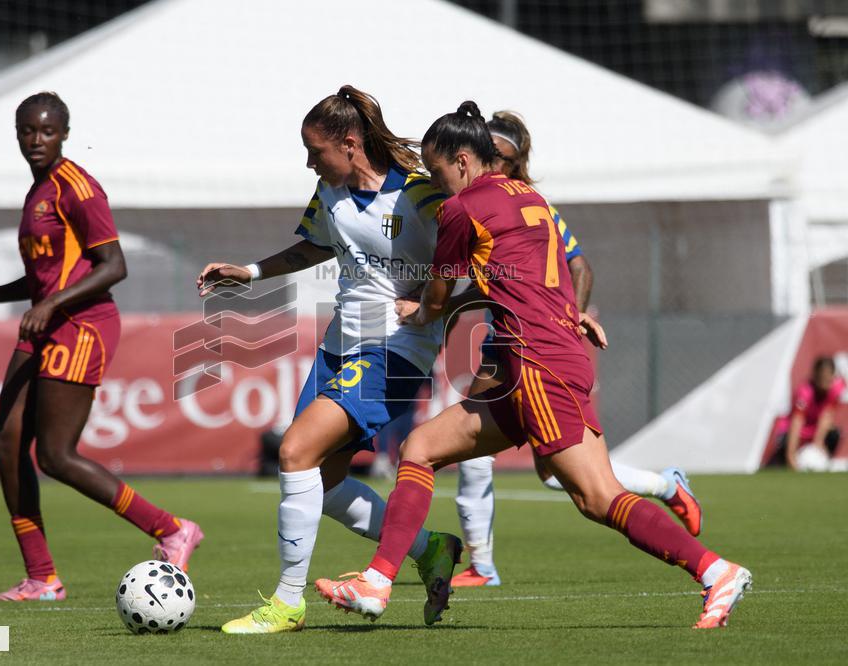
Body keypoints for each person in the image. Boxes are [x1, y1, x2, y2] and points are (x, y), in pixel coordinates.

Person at [316, 102, 751, 630]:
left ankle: (715, 571)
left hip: (537, 361)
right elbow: (538, 273)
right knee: (421, 448)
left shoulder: (462, 209)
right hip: (535, 356)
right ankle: (378, 582)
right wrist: (570, 315)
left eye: (435, 171)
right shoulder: (531, 196)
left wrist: (420, 310)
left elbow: (438, 292)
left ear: (461, 159)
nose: (434, 182)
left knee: (597, 497)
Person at [198, 86, 458, 634]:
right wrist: (250, 272)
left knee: (294, 452)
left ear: (349, 142)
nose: (309, 162)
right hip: (340, 347)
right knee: (323, 481)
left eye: (315, 151)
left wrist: (434, 304)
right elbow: (313, 245)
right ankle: (430, 549)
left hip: (396, 349)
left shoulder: (421, 196)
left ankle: (287, 603)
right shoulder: (329, 191)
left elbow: (470, 256)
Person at [0, 92, 202, 601]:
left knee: (56, 456)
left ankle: (172, 529)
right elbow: (45, 274)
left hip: (81, 326)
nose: (36, 140)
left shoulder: (78, 188)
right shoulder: (37, 190)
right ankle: (42, 578)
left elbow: (114, 266)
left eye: (46, 131)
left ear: (63, 133)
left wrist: (49, 303)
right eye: (27, 131)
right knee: (5, 443)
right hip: (45, 323)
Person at [449, 111, 702, 588]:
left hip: (540, 346)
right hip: (508, 342)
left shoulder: (535, 207)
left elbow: (581, 266)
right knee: (541, 470)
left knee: (562, 477)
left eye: (500, 156)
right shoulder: (486, 202)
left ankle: (669, 490)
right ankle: (482, 562)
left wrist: (573, 313)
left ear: (517, 161)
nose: (491, 164)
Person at [770, 356, 844, 470]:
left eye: (828, 378)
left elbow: (826, 417)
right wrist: (790, 456)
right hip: (795, 433)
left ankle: (823, 463)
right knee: (781, 459)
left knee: (835, 434)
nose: (825, 382)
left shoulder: (835, 390)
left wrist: (818, 444)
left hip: (813, 433)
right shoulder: (805, 393)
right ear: (816, 375)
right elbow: (796, 423)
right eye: (822, 377)